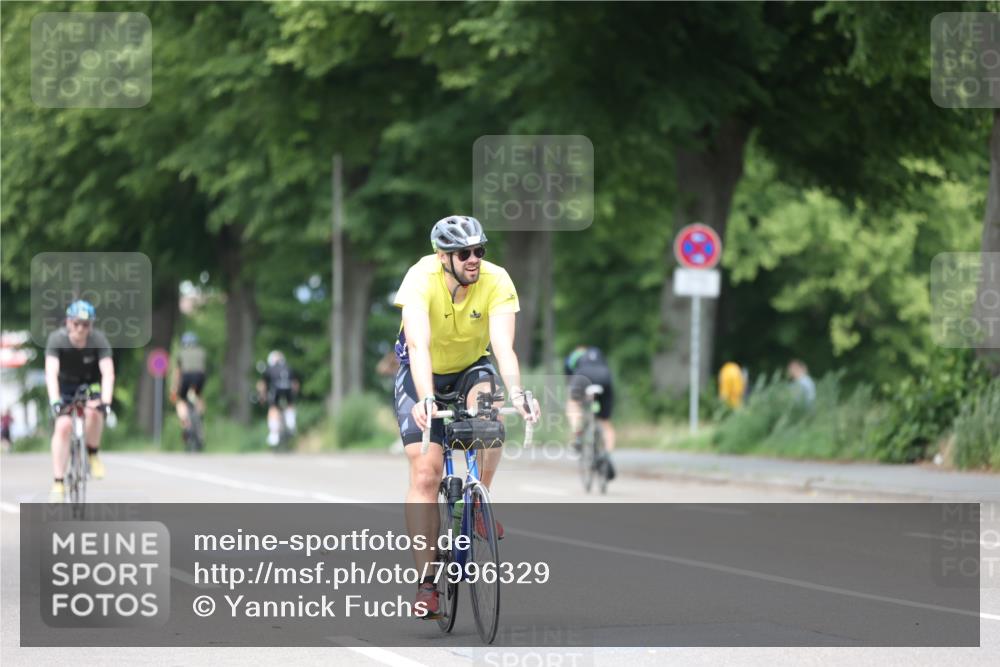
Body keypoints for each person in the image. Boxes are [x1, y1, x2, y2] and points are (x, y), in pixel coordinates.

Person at [393, 215, 539, 619]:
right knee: (426, 472)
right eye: (464, 253)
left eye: (480, 250)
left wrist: (519, 393)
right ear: (443, 257)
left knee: (491, 419)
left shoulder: (497, 280)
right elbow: (419, 347)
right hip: (422, 372)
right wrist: (425, 399)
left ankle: (478, 502)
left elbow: (503, 349)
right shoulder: (420, 279)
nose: (474, 259)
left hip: (470, 367)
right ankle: (426, 584)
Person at [45, 300, 114, 501]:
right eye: (76, 323)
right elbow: (51, 372)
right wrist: (55, 400)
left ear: (91, 325)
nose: (80, 329)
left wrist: (106, 402)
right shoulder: (57, 340)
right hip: (65, 386)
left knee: (95, 412)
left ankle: (93, 454)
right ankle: (58, 482)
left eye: (85, 324)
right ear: (68, 322)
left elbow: (108, 373)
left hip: (89, 385)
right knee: (63, 426)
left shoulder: (98, 340)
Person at [565, 345, 616, 481]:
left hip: (583, 376)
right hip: (604, 377)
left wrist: (577, 397)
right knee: (606, 423)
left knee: (573, 404)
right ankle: (606, 456)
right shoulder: (599, 353)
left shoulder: (574, 356)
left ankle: (577, 432)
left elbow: (569, 376)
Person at [170, 332, 207, 446]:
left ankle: (186, 423)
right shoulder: (201, 352)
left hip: (186, 377)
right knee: (198, 397)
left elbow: (178, 373)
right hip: (199, 378)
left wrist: (174, 388)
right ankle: (199, 415)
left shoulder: (181, 353)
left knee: (181, 401)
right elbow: (203, 369)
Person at [256, 350, 299, 447]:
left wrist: (262, 396)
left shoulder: (270, 369)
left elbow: (262, 385)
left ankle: (274, 434)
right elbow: (295, 385)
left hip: (276, 390)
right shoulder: (289, 367)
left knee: (273, 408)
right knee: (290, 405)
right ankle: (291, 421)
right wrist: (294, 395)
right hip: (288, 389)